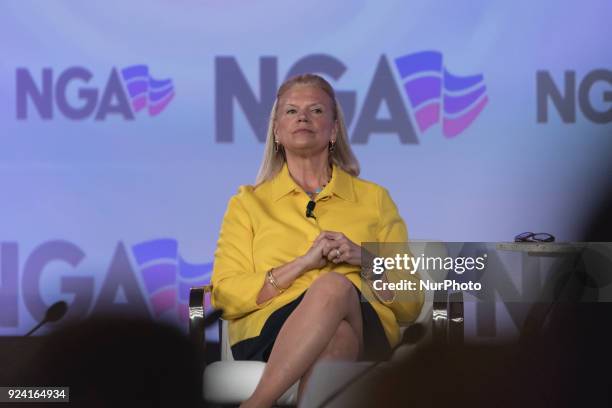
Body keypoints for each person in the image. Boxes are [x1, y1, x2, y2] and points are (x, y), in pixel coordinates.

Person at [210, 73, 423, 407]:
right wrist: (301, 265)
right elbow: (224, 294)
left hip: (367, 323)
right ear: (277, 131)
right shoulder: (248, 204)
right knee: (338, 332)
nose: (303, 118)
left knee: (334, 286)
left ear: (334, 130)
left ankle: (257, 403)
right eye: (291, 111)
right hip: (271, 328)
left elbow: (411, 302)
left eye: (316, 111)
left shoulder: (374, 199)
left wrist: (365, 259)